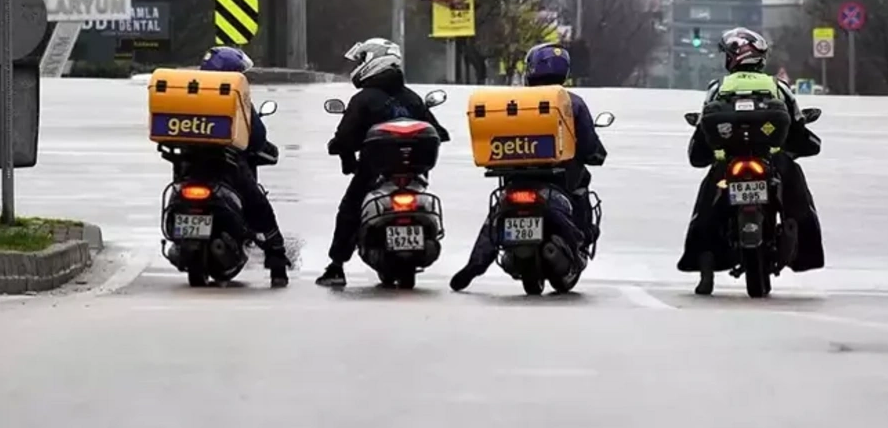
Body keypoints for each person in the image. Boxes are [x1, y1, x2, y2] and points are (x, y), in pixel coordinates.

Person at [676, 27, 825, 296]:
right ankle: (804, 253)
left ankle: (704, 265)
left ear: (734, 57)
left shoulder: (717, 88)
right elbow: (798, 125)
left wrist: (703, 152)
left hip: (727, 163)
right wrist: (806, 143)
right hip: (772, 161)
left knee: (706, 206)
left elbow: (702, 133)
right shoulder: (778, 87)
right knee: (798, 198)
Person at [449, 44, 607, 292]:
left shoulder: (513, 102)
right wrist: (596, 154)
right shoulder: (572, 103)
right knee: (581, 194)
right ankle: (579, 242)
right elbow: (589, 146)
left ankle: (474, 267)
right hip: (562, 181)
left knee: (496, 215)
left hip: (516, 180)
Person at [315, 38, 451, 288]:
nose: (358, 66)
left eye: (362, 60)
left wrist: (341, 151)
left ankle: (336, 267)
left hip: (373, 174)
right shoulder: (411, 98)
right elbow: (439, 131)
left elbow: (345, 137)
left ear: (376, 61)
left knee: (350, 211)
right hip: (414, 177)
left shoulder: (364, 100)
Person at [171, 45, 290, 287]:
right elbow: (256, 137)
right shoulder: (234, 98)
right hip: (228, 169)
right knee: (259, 206)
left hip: (189, 169)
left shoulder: (187, 94)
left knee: (175, 193)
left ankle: (180, 240)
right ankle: (276, 261)